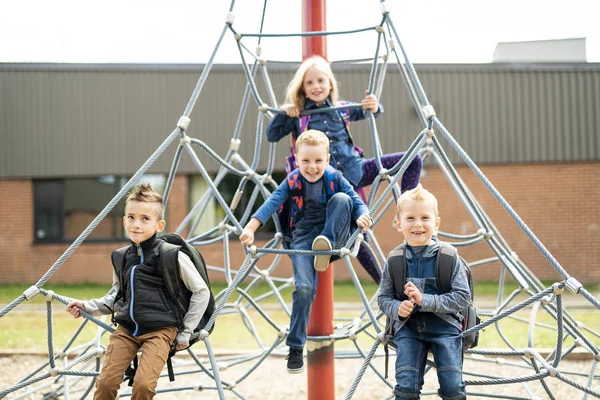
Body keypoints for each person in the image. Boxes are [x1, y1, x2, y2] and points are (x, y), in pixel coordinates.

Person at [266, 55, 422, 283]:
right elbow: (272, 135)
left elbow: (372, 111)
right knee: (359, 236)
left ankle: (408, 207)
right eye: (309, 83)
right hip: (327, 183)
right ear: (302, 89)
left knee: (413, 159)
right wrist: (283, 112)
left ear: (330, 84)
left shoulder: (343, 109)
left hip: (355, 170)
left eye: (321, 80)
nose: (316, 86)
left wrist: (375, 106)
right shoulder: (298, 115)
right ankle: (383, 282)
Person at [240, 129, 372, 374]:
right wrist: (250, 228)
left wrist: (363, 215)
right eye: (306, 161)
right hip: (302, 237)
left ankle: (325, 247)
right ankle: (295, 347)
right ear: (296, 160)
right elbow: (272, 203)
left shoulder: (335, 176)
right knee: (304, 289)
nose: (312, 167)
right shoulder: (292, 180)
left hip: (331, 235)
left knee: (342, 199)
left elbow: (355, 200)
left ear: (328, 160)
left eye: (318, 161)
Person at [66, 183, 211, 400]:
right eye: (131, 217)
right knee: (106, 383)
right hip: (127, 330)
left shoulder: (172, 256)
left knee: (143, 386)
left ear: (159, 224)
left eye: (145, 219)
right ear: (124, 220)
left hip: (160, 330)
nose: (136, 224)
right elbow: (116, 298)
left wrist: (186, 331)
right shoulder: (121, 257)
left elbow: (201, 291)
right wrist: (87, 306)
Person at [378, 184, 470, 400]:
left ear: (436, 223)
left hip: (445, 326)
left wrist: (424, 300)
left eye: (425, 218)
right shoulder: (395, 260)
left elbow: (463, 297)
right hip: (408, 329)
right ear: (399, 224)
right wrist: (397, 308)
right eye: (410, 218)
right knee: (405, 388)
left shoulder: (448, 257)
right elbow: (383, 298)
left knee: (453, 388)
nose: (418, 224)